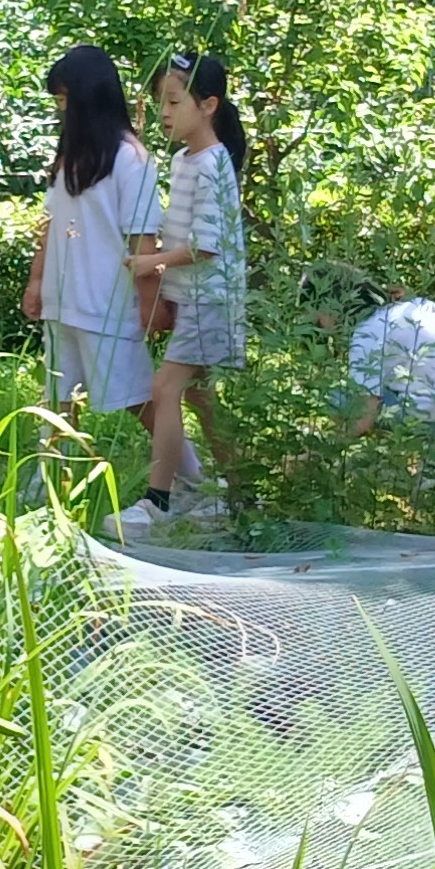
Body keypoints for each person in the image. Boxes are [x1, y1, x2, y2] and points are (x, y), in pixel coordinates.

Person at [111, 53, 245, 543]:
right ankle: (235, 490)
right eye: (159, 102)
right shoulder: (183, 160)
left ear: (208, 105)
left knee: (165, 389)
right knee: (199, 396)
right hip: (193, 297)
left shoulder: (213, 164)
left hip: (211, 298)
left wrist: (152, 264)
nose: (164, 112)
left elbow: (206, 246)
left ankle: (160, 500)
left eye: (173, 100)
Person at [21, 45, 161, 433]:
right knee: (58, 397)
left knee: (138, 398)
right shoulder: (70, 160)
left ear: (87, 100)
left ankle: (192, 481)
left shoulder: (132, 160)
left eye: (65, 100)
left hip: (107, 307)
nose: (60, 110)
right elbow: (50, 226)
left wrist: (150, 306)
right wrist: (37, 282)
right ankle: (49, 480)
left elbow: (142, 244)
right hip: (62, 302)